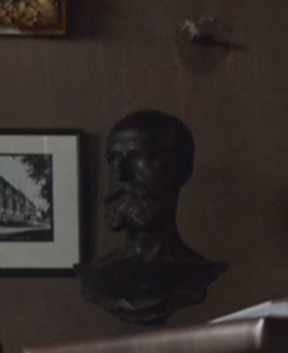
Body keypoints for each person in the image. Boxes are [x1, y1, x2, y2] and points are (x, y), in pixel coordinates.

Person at [77, 110, 227, 325]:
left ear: (183, 168)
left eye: (137, 157)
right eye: (113, 159)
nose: (120, 174)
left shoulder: (199, 274)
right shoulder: (95, 275)